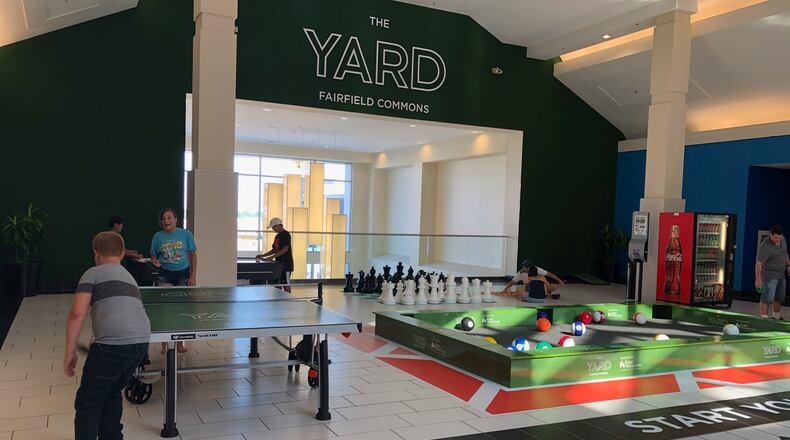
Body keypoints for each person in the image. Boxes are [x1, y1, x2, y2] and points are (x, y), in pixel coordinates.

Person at [64, 231, 150, 440]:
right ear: (122, 254)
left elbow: (77, 314)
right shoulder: (129, 277)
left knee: (89, 401)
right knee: (112, 393)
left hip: (112, 347)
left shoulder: (93, 273)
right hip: (140, 345)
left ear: (95, 253)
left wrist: (69, 352)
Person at [150, 208, 197, 287]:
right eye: (163, 219)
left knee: (182, 299)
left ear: (175, 220)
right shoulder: (157, 236)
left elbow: (193, 255)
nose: (166, 221)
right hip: (164, 273)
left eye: (169, 218)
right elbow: (153, 256)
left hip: (183, 274)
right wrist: (154, 260)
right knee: (165, 298)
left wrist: (193, 276)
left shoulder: (186, 234)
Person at [755, 224, 789, 320]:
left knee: (780, 296)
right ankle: (764, 318)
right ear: (770, 234)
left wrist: (789, 264)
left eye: (779, 238)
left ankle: (776, 316)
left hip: (781, 274)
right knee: (768, 296)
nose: (777, 240)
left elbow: (784, 252)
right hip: (769, 274)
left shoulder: (783, 240)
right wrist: (758, 279)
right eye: (775, 238)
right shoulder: (765, 246)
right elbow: (758, 263)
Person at [499, 259, 565, 303]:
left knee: (554, 286)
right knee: (523, 289)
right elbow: (512, 282)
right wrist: (504, 290)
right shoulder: (521, 273)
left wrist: (559, 280)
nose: (527, 268)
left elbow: (549, 274)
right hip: (537, 293)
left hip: (533, 292)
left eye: (528, 267)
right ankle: (547, 295)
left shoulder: (533, 275)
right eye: (525, 267)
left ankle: (545, 294)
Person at [255, 217, 293, 291]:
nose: (273, 229)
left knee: (285, 283)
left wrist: (272, 257)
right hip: (278, 264)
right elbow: (274, 250)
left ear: (279, 225)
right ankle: (280, 299)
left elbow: (285, 249)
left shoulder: (286, 234)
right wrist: (262, 256)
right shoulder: (277, 236)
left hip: (286, 265)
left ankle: (288, 300)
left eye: (273, 227)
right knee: (278, 283)